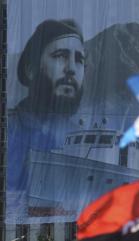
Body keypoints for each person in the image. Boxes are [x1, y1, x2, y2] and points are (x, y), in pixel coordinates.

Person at [8, 19, 85, 192]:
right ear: (31, 69)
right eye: (60, 56)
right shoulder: (9, 128)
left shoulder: (80, 134)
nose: (71, 68)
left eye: (79, 59)